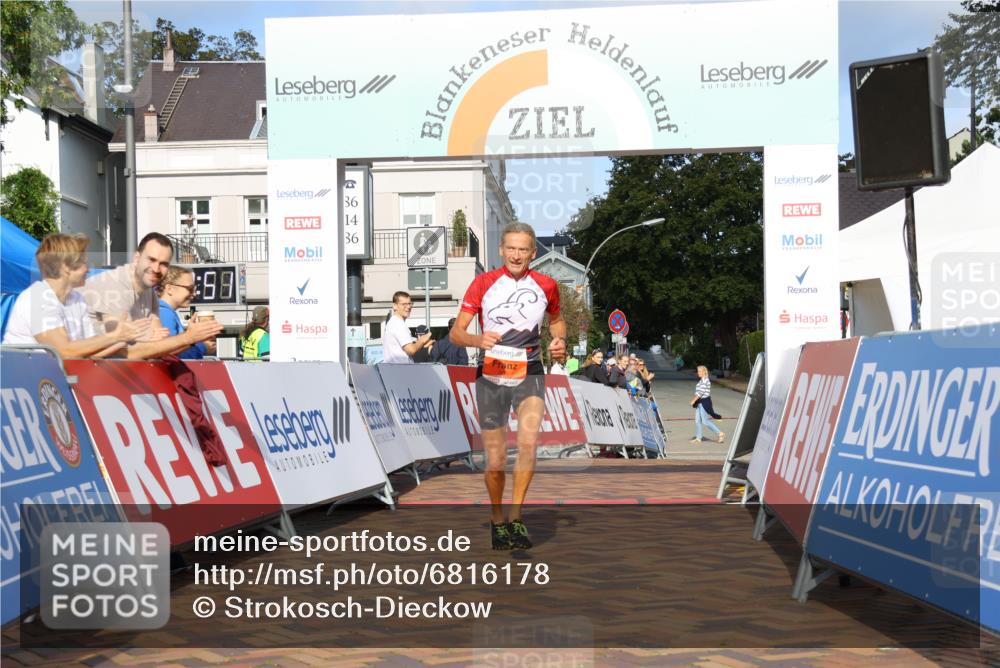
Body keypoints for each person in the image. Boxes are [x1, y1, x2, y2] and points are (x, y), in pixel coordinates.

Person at [449, 222, 566, 550]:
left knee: (528, 444)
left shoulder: (547, 285)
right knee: (496, 459)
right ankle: (496, 518)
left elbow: (557, 321)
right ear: (501, 250)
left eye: (523, 250)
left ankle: (515, 516)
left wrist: (559, 341)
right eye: (511, 248)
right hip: (492, 375)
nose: (516, 255)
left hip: (530, 371)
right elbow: (456, 334)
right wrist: (477, 339)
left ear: (532, 253)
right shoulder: (483, 283)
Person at [3, 233, 152, 357]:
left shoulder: (76, 299)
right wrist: (116, 336)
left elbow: (90, 352)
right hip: (26, 379)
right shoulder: (37, 297)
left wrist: (124, 338)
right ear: (66, 267)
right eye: (84, 263)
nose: (88, 269)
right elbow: (63, 351)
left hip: (50, 378)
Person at [80, 232, 222, 359]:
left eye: (163, 264)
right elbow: (128, 353)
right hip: (81, 373)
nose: (156, 269)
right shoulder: (114, 287)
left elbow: (161, 348)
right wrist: (188, 338)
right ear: (137, 258)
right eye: (151, 260)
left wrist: (191, 340)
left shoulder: (149, 292)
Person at [158, 266, 215, 359]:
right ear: (169, 288)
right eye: (190, 289)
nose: (194, 294)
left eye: (195, 289)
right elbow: (169, 353)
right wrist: (203, 347)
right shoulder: (165, 314)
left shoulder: (164, 312)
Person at [382, 291, 433, 364]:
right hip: (400, 369)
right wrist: (422, 340)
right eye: (404, 304)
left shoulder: (393, 322)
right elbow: (411, 350)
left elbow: (404, 350)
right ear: (395, 306)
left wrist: (421, 345)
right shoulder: (398, 324)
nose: (408, 307)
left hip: (395, 368)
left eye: (410, 303)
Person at [691, 365, 725, 444]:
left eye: (700, 371)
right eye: (698, 371)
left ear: (704, 372)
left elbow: (700, 393)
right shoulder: (701, 380)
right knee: (697, 421)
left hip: (704, 402)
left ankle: (720, 433)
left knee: (705, 421)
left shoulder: (705, 380)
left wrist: (693, 400)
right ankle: (698, 438)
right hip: (699, 403)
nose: (698, 373)